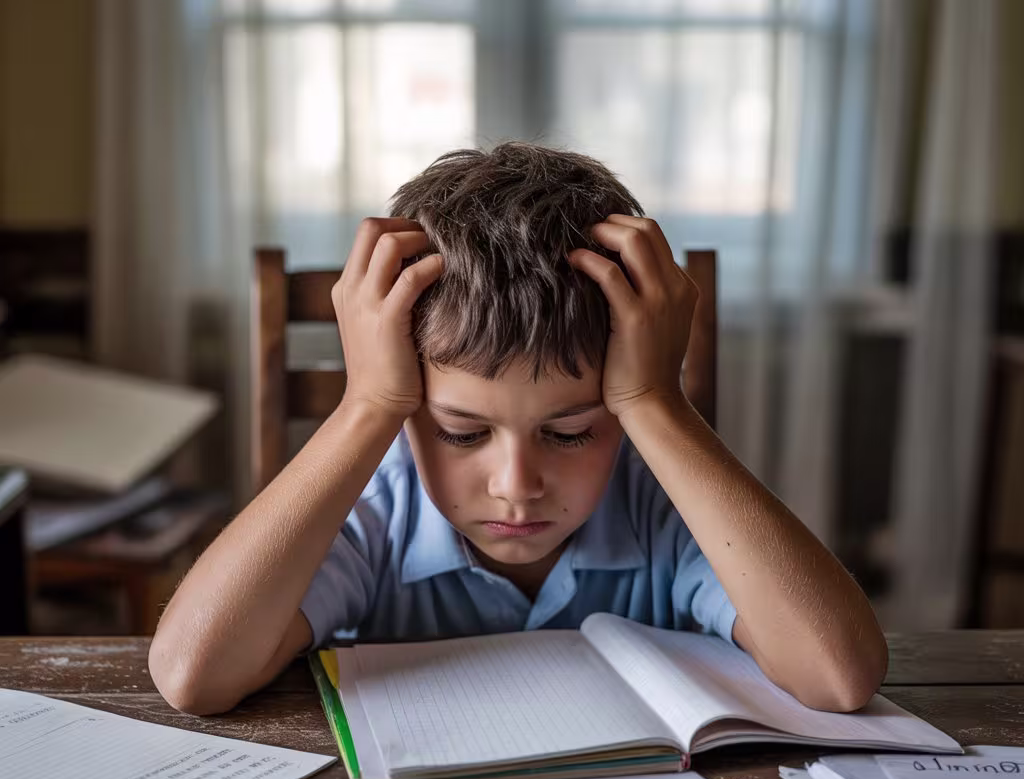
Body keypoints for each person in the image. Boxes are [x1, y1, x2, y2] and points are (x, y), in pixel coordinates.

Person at [149, 142, 888, 717]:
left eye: (570, 433)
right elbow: (193, 675)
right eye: (462, 433)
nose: (516, 487)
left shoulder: (665, 507)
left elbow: (838, 675)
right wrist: (367, 404)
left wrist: (656, 402)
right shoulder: (379, 512)